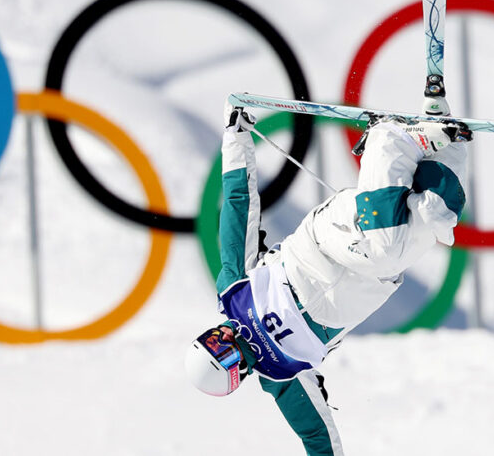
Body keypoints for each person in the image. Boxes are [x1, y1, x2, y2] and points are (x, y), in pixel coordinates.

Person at [185, 99, 472, 455]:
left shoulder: (234, 292)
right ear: (236, 373)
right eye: (221, 350)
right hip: (374, 277)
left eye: (211, 336)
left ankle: (387, 139)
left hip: (327, 241)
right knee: (436, 216)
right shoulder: (282, 377)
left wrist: (235, 136)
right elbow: (318, 440)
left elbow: (238, 207)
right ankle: (448, 139)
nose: (223, 334)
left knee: (383, 246)